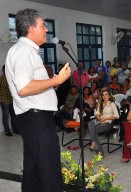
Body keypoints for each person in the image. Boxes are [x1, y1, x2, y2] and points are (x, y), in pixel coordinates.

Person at [5, 8, 71, 192]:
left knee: (33, 173)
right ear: (31, 28)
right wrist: (56, 80)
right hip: (36, 119)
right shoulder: (23, 51)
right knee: (50, 172)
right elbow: (24, 88)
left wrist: (52, 83)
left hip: (33, 119)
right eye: (43, 25)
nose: (47, 30)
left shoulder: (25, 51)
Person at [88, 90, 119, 156]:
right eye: (103, 95)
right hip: (100, 122)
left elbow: (117, 116)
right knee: (90, 123)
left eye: (106, 94)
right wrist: (99, 118)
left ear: (109, 96)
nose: (104, 96)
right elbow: (97, 113)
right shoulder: (101, 103)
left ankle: (96, 147)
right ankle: (95, 145)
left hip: (107, 123)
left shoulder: (112, 104)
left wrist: (106, 119)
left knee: (93, 130)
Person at [0, 65, 18, 136]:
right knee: (6, 116)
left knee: (13, 115)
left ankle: (15, 129)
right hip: (4, 100)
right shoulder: (1, 78)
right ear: (4, 70)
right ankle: (7, 131)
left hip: (11, 99)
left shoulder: (12, 79)